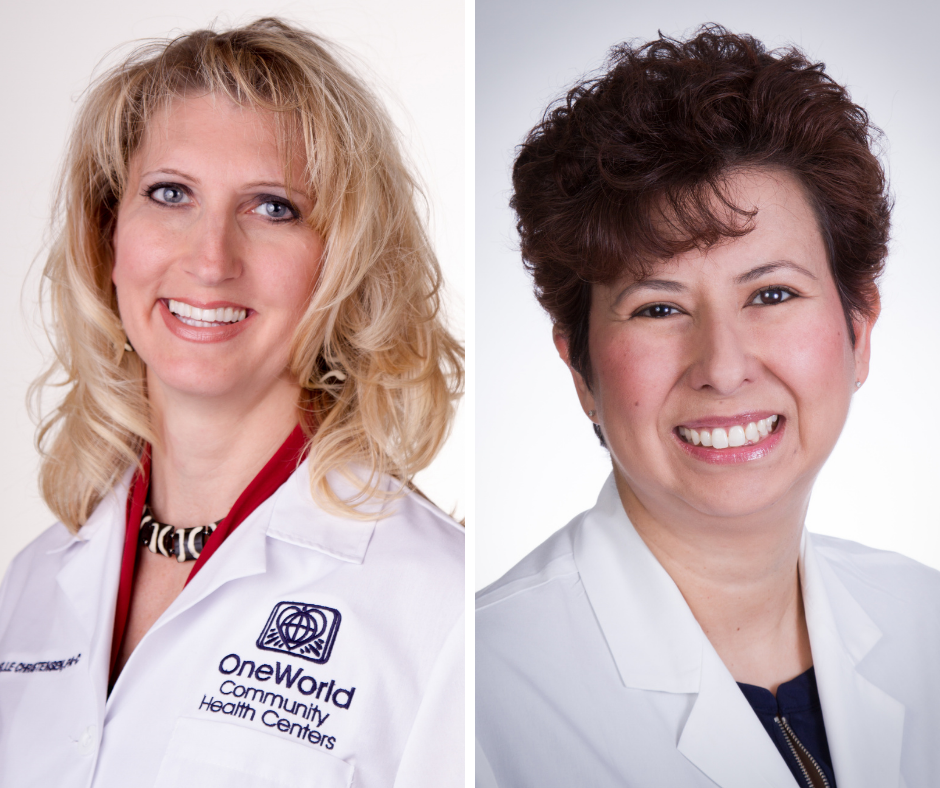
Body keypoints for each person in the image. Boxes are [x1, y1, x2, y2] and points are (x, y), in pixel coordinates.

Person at [0, 18, 463, 788]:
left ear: (341, 259)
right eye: (170, 193)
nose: (211, 259)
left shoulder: (437, 607)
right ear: (108, 234)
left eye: (273, 207)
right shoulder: (31, 584)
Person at [476, 25, 940, 788]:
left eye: (773, 294)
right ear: (580, 366)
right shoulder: (485, 689)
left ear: (859, 331)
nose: (723, 368)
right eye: (658, 309)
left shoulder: (926, 617)